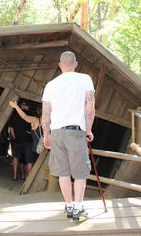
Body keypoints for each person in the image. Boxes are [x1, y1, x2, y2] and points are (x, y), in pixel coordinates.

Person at [42, 51, 95, 222]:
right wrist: (88, 130)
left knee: (62, 172)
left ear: (60, 65)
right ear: (76, 64)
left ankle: (69, 206)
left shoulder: (50, 84)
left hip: (56, 133)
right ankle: (79, 209)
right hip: (76, 131)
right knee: (79, 172)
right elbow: (90, 110)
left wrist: (46, 136)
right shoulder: (85, 79)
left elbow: (45, 115)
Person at [8, 101, 35, 181]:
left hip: (18, 140)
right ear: (22, 106)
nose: (28, 107)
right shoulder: (29, 114)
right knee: (29, 160)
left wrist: (14, 138)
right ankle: (29, 179)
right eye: (27, 105)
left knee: (15, 158)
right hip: (28, 140)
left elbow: (11, 128)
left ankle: (15, 176)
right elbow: (33, 126)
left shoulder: (14, 114)